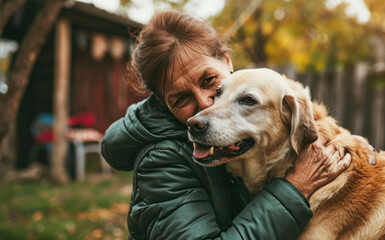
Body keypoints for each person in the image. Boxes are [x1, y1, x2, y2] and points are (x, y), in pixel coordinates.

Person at [101, 10, 352, 240]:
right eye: (181, 99)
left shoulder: (254, 97)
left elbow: (301, 110)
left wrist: (349, 144)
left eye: (210, 81)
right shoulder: (160, 161)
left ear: (227, 62)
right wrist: (294, 188)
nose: (204, 105)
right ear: (162, 103)